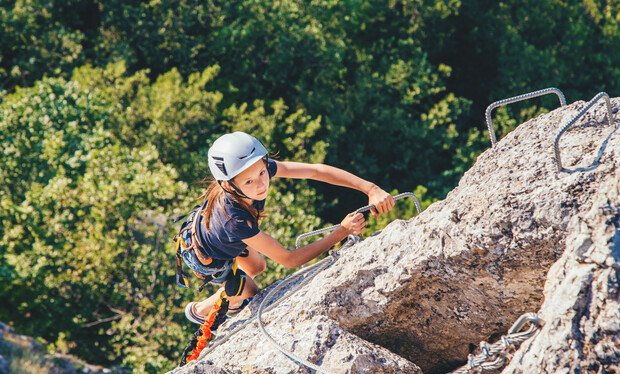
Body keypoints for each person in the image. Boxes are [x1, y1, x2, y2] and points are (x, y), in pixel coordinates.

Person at [181, 131, 394, 324]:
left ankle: (230, 294)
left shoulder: (251, 170)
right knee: (250, 291)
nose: (261, 185)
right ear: (227, 185)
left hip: (213, 234)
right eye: (249, 182)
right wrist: (341, 232)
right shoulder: (234, 221)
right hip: (206, 256)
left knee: (257, 268)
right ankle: (200, 310)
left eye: (263, 173)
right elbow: (289, 259)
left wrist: (370, 189)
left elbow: (316, 171)